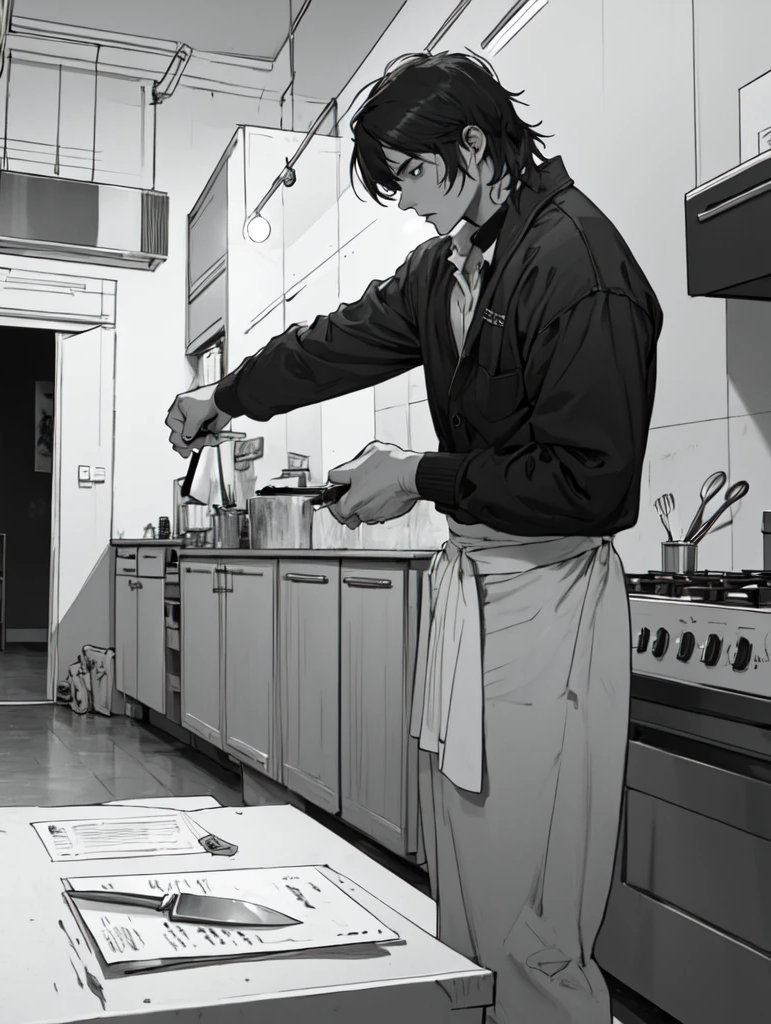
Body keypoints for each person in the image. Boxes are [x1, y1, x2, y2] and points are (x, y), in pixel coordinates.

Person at [166, 50, 661, 1024]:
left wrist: (419, 476)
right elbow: (336, 342)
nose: (404, 199)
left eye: (412, 175)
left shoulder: (578, 263)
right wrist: (222, 395)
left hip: (550, 604)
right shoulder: (451, 268)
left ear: (472, 148)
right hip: (480, 598)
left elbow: (592, 484)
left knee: (532, 921)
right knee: (471, 887)